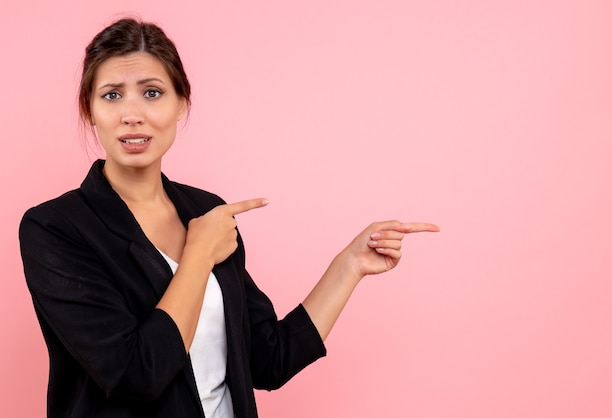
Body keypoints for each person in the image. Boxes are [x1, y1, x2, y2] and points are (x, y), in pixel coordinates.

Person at [19, 17, 439, 418]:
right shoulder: (55, 229)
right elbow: (137, 374)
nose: (133, 113)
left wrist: (350, 265)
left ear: (181, 103)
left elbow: (268, 359)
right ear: (89, 109)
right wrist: (198, 255)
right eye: (112, 94)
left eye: (152, 93)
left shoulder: (207, 211)